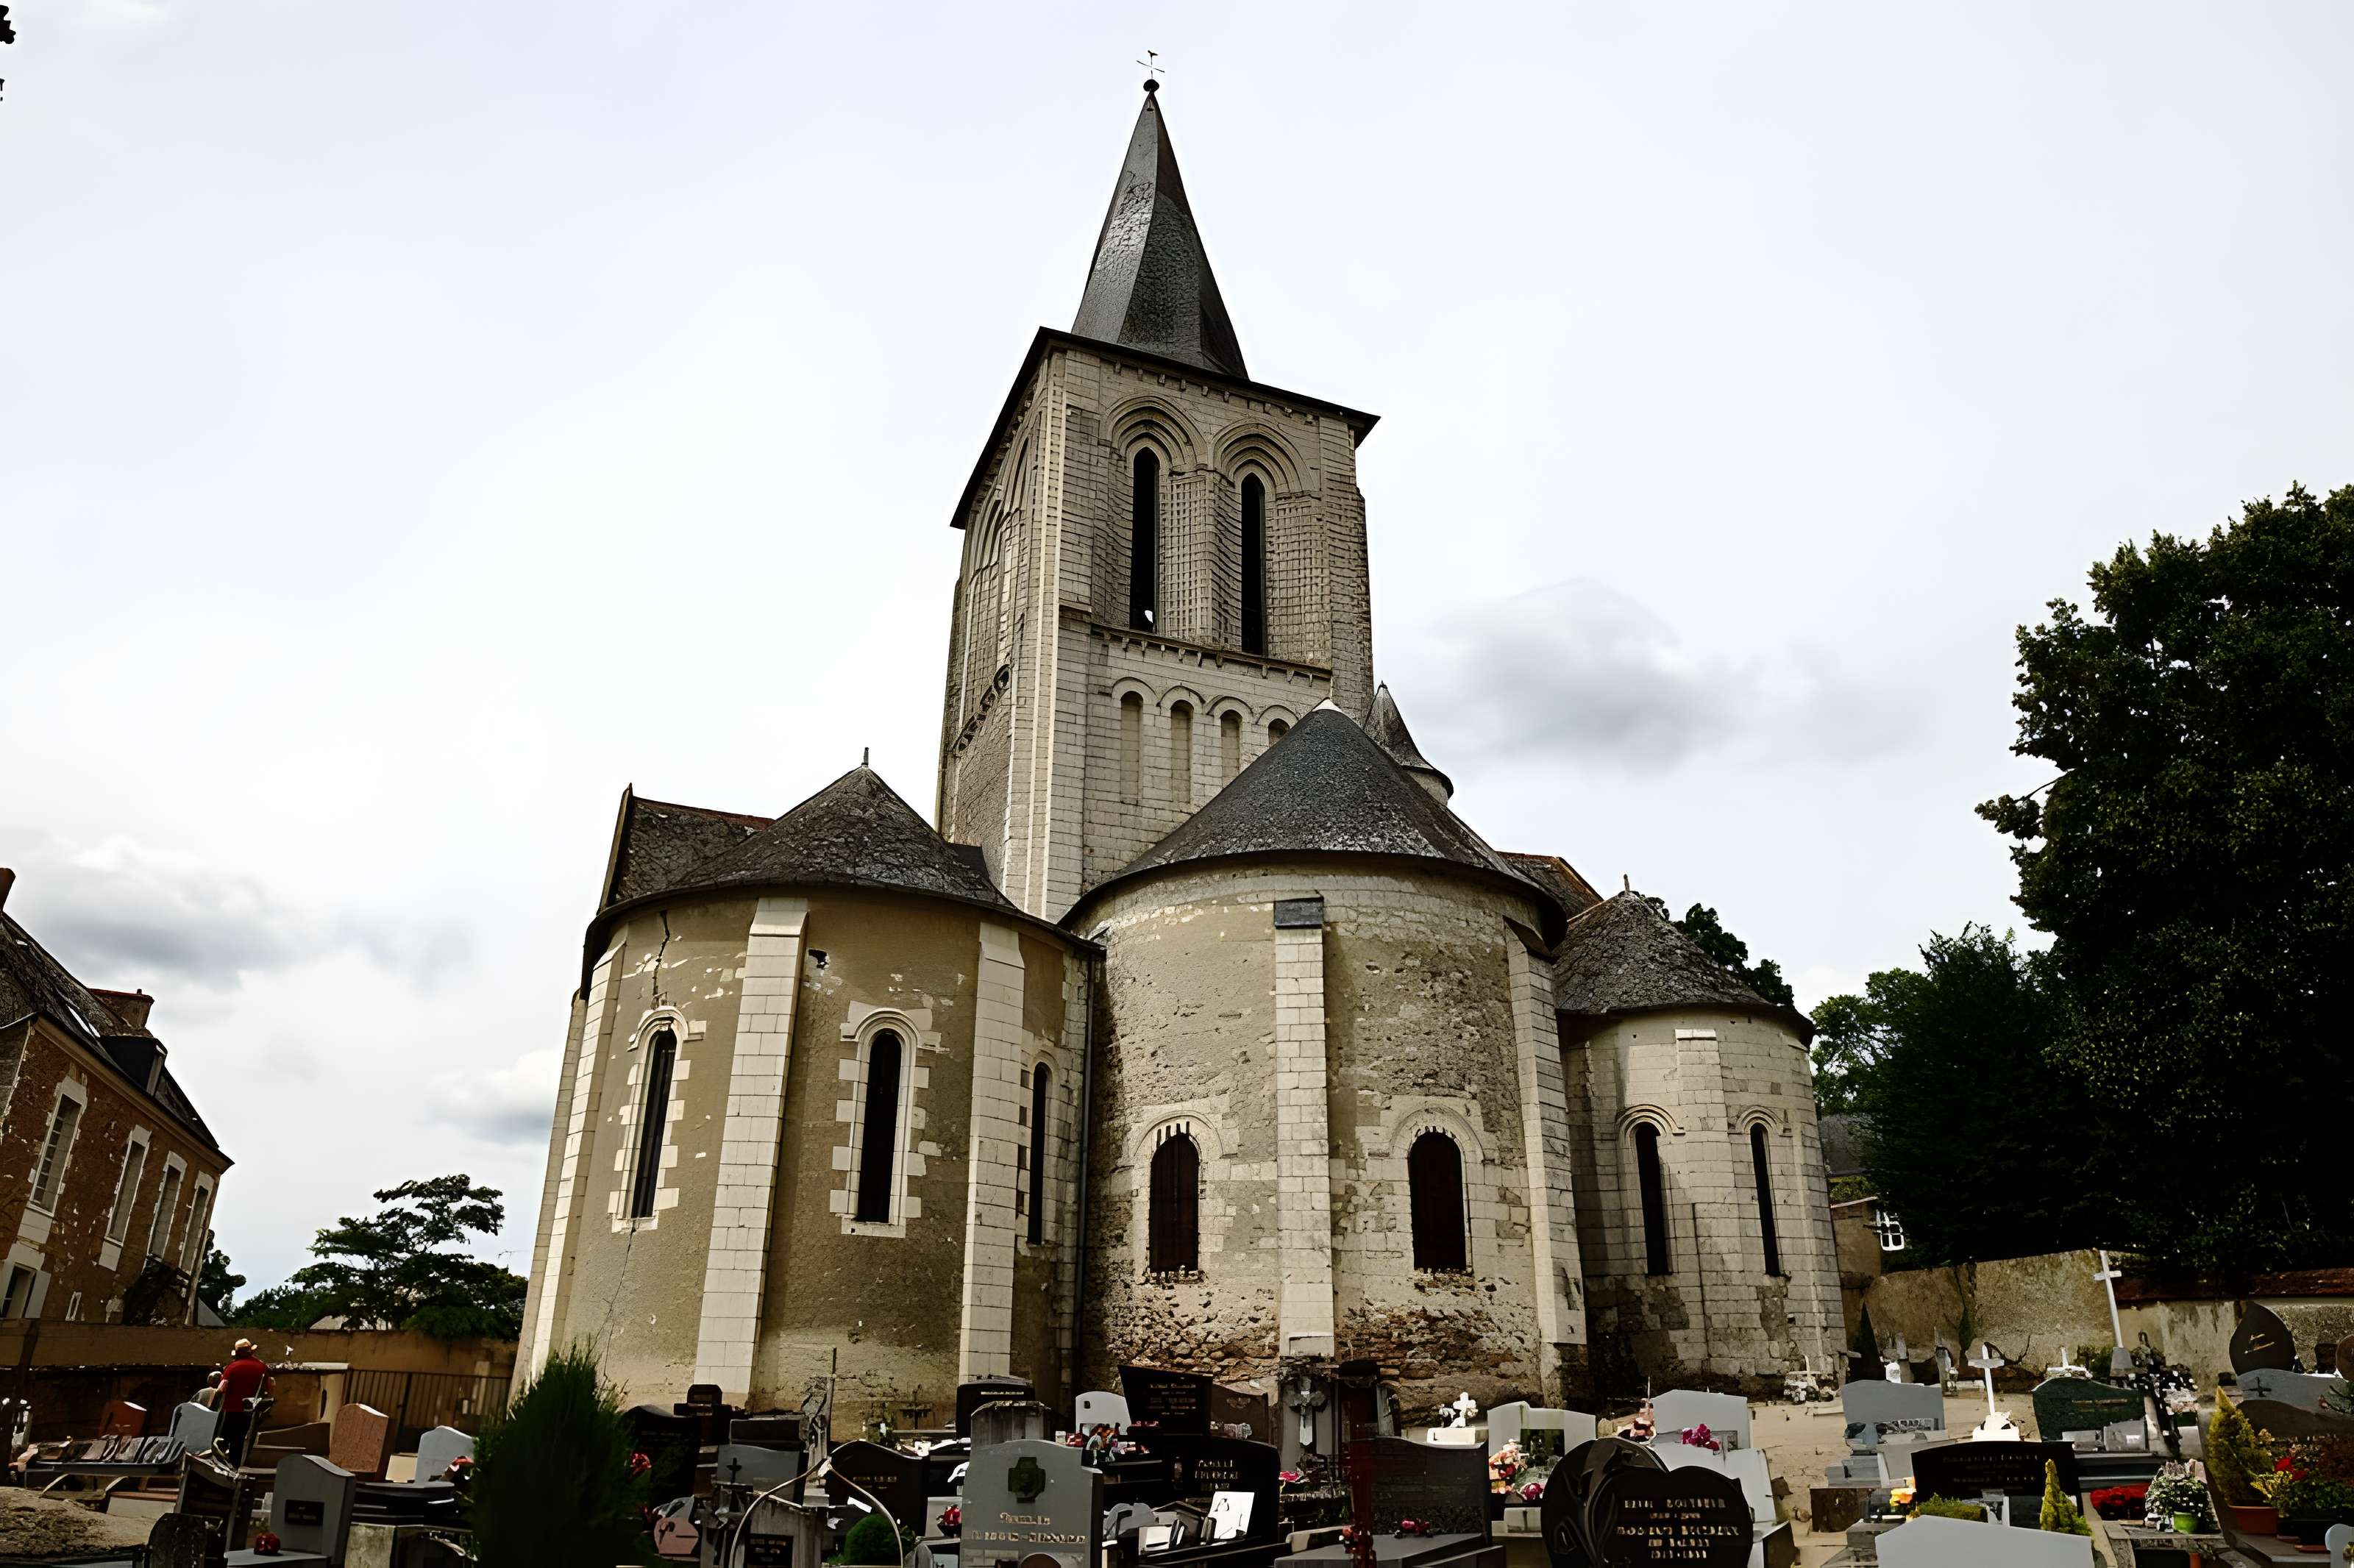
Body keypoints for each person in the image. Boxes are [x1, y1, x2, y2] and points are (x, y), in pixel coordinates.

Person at [215, 1339, 271, 1466]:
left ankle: (230, 1463)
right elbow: (267, 1388)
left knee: (228, 1438)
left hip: (232, 1409)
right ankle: (242, 1462)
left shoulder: (232, 1367)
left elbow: (222, 1389)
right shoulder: (262, 1367)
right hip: (254, 1409)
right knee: (245, 1438)